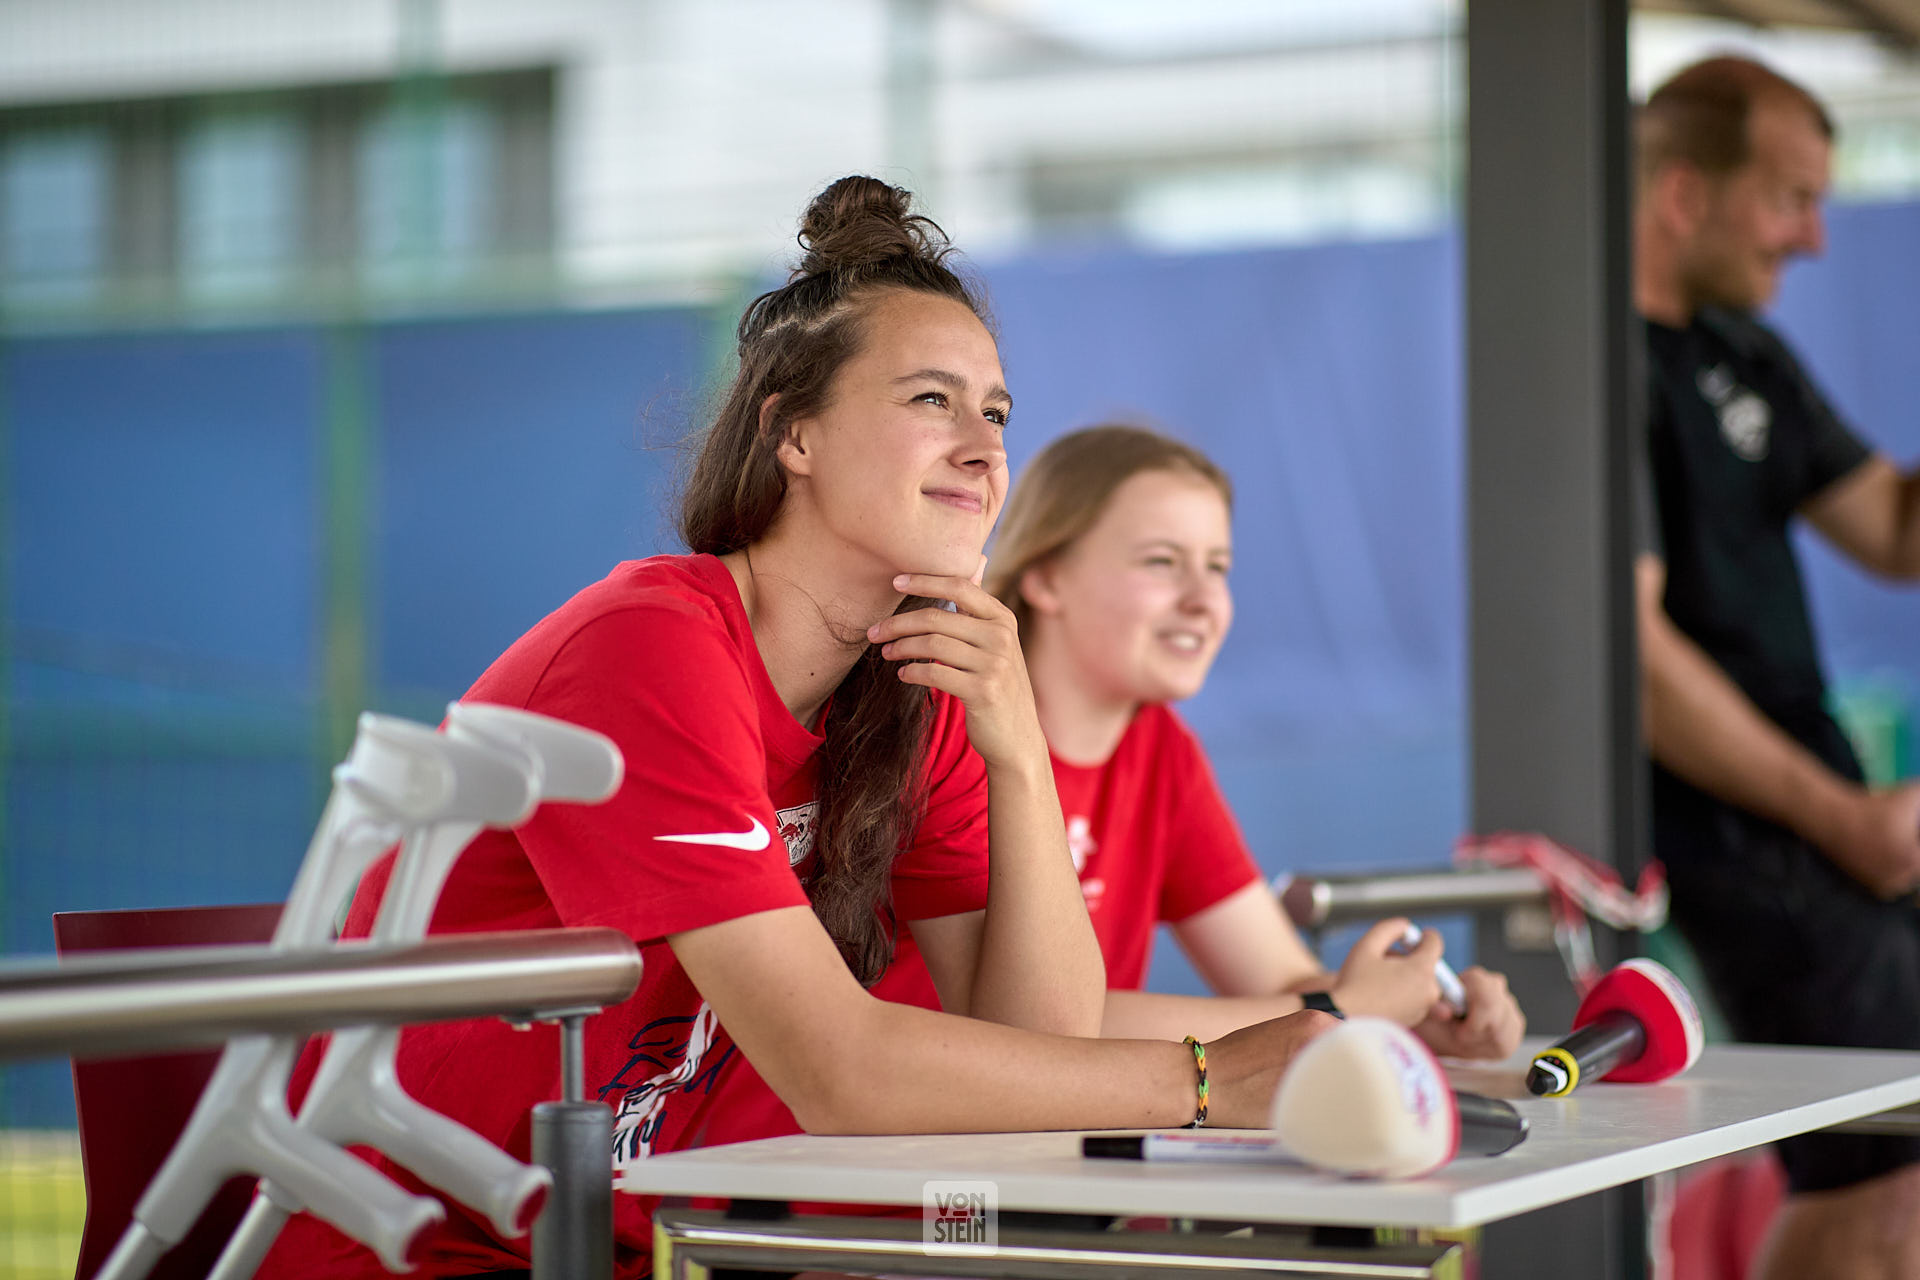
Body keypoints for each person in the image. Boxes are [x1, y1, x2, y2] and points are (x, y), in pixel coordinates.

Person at [257, 178, 1331, 1279]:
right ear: (795, 433)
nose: (982, 448)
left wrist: (1017, 750)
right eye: (932, 400)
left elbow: (1035, 1051)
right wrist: (1209, 1078)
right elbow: (840, 1070)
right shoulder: (650, 648)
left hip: (598, 1243)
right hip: (390, 1240)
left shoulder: (918, 683)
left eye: (996, 412)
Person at [700, 425, 1524, 1158]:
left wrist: (1408, 1016)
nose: (1203, 601)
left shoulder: (1161, 750)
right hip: (890, 1172)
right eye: (1162, 564)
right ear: (1048, 577)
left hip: (1052, 1170)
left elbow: (1280, 992)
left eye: (1220, 568)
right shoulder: (932, 720)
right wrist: (1340, 1012)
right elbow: (1039, 1036)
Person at [1634, 56, 1920, 1280]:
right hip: (1744, 831)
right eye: (1788, 198)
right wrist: (1842, 815)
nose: (1811, 236)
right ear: (1686, 194)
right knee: (1881, 1171)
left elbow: (1896, 533)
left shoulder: (1745, 352)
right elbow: (1633, 664)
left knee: (1893, 1166)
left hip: (1823, 819)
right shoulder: (1595, 366)